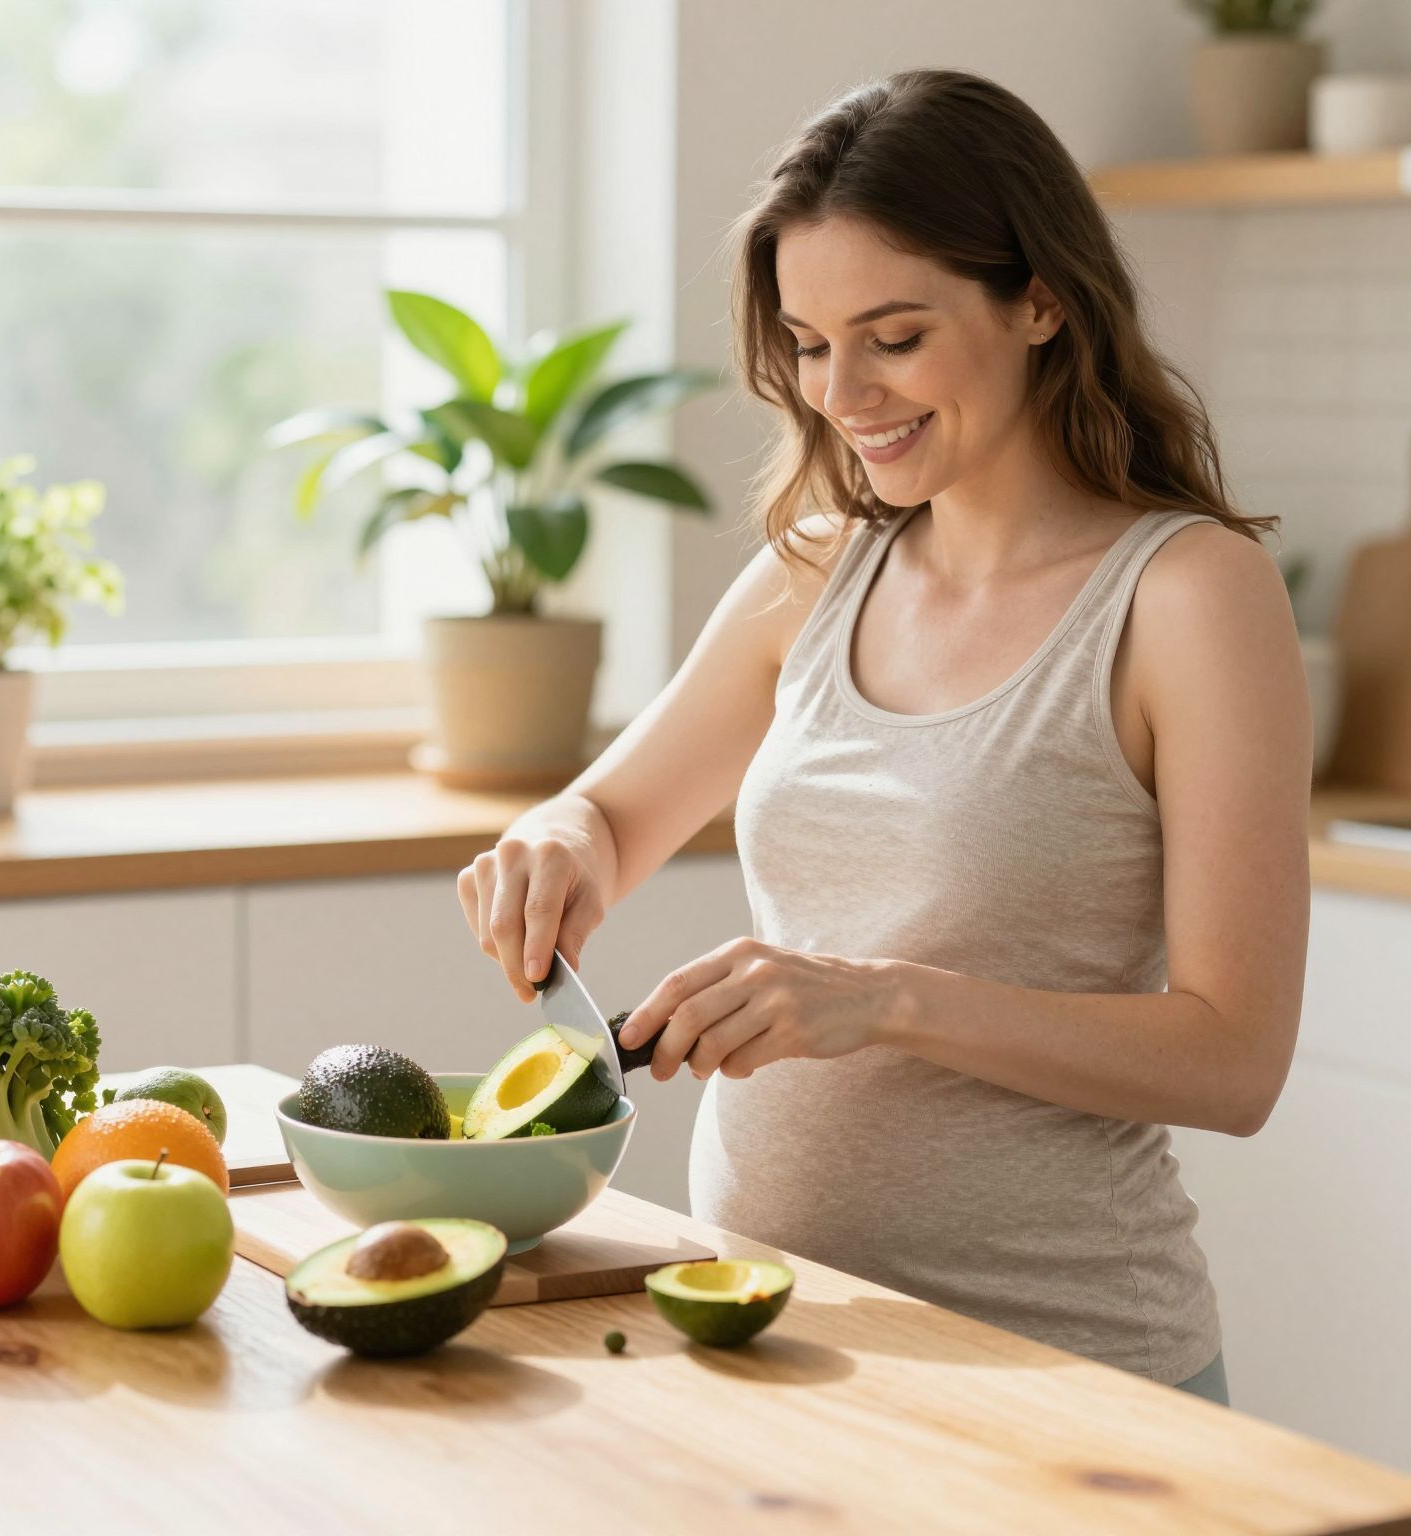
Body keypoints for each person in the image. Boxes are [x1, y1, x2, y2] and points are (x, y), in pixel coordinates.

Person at [456, 69, 1311, 1408]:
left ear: (1040, 299)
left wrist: (883, 1000)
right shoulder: (822, 565)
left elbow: (1234, 1058)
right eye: (807, 341)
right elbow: (615, 819)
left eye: (894, 337)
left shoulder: (1188, 597)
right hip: (773, 1337)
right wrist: (555, 840)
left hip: (1067, 1375)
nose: (842, 391)